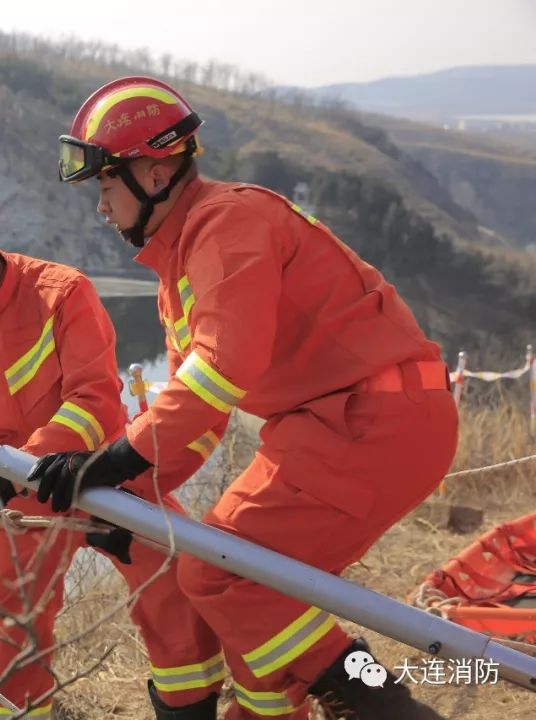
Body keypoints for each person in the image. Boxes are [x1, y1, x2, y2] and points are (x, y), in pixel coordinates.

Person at [30, 75, 457, 719]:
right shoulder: (182, 262)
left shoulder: (227, 223)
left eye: (105, 185)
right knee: (246, 604)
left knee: (221, 575)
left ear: (153, 172)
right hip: (336, 425)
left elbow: (221, 369)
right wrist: (127, 493)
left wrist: (118, 458)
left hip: (374, 422)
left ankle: (385, 707)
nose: (100, 207)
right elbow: (199, 414)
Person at [0, 165, 220, 719]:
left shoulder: (61, 293)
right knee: (14, 641)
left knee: (172, 593)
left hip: (103, 474)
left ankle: (189, 711)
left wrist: (4, 480)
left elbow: (93, 403)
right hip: (12, 503)